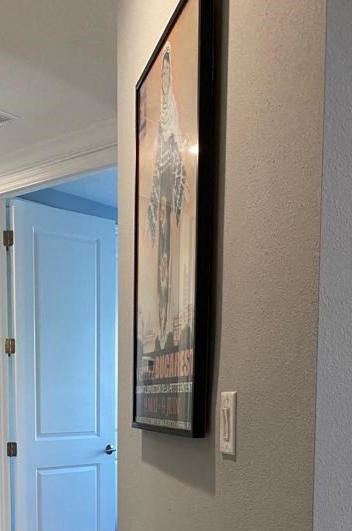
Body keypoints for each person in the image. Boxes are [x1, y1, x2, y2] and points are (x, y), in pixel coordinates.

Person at [147, 43, 187, 349]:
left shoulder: (172, 124)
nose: (163, 80)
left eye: (166, 74)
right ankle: (160, 329)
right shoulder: (157, 128)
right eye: (161, 75)